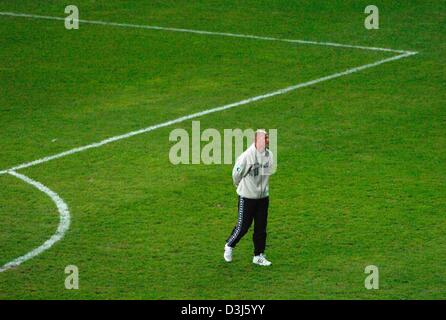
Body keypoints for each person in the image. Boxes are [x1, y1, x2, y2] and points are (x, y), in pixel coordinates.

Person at [224, 129, 274, 266]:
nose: (267, 140)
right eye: (265, 138)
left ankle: (258, 255)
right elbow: (236, 174)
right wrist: (241, 188)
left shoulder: (269, 155)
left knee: (261, 227)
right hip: (247, 197)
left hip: (263, 198)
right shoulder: (247, 156)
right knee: (243, 226)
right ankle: (229, 245)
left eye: (267, 138)